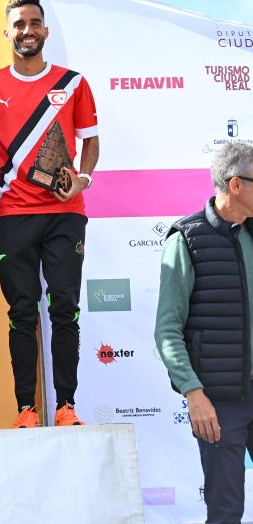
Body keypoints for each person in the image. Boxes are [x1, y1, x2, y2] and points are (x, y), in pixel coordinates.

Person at [0, 0, 100, 428]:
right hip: (11, 214)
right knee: (22, 311)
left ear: (45, 30)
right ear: (8, 33)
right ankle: (26, 408)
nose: (27, 31)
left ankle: (66, 406)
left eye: (34, 23)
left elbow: (91, 141)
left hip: (65, 214)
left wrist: (82, 179)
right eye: (19, 24)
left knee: (64, 308)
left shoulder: (74, 82)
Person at [155, 143, 253, 524]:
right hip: (220, 402)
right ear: (236, 185)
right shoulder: (186, 239)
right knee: (226, 511)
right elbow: (167, 329)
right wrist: (194, 395)